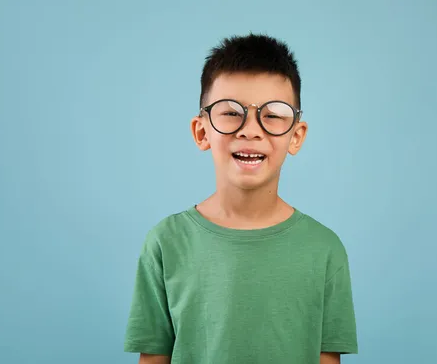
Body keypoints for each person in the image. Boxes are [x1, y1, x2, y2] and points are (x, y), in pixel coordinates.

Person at [124, 33, 358, 364]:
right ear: (202, 131)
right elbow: (153, 358)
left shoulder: (325, 248)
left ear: (296, 135)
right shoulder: (165, 242)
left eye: (274, 114)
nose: (251, 129)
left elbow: (327, 359)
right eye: (231, 112)